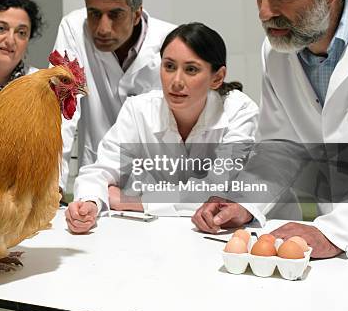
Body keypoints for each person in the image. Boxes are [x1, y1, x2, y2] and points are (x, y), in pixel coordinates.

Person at [192, 0, 348, 259]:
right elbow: (281, 144)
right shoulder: (278, 50)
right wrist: (244, 200)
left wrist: (336, 231)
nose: (265, 12)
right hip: (336, 248)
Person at [66, 23, 258, 233]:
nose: (176, 81)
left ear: (217, 77)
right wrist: (89, 203)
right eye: (169, 66)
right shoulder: (138, 110)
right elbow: (100, 171)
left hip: (231, 236)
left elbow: (216, 194)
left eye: (191, 69)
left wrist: (132, 201)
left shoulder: (240, 111)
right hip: (158, 234)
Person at [54, 0, 176, 190]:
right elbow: (62, 109)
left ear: (137, 14)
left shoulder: (172, 42)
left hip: (158, 181)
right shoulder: (73, 28)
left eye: (115, 15)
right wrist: (53, 184)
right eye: (94, 14)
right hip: (96, 177)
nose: (103, 28)